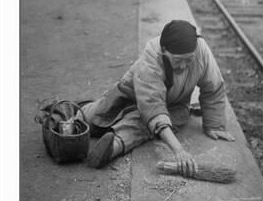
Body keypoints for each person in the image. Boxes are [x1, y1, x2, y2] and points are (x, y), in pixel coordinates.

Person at [79, 20, 235, 172]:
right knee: (96, 116)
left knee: (143, 124)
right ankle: (66, 116)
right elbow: (152, 107)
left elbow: (213, 87)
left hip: (173, 105)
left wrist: (214, 124)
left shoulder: (200, 51)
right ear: (164, 51)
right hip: (128, 96)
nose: (183, 66)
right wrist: (179, 150)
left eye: (188, 60)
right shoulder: (151, 56)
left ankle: (113, 146)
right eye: (178, 60)